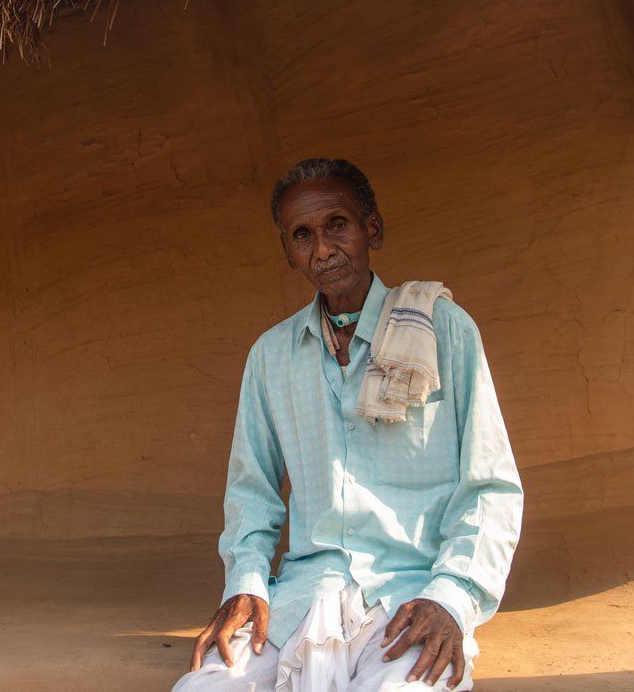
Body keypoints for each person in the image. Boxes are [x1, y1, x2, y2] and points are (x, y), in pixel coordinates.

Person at [175, 158, 522, 692]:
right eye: (303, 235)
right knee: (202, 688)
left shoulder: (443, 330)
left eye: (337, 224)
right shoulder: (271, 356)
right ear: (288, 251)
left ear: (371, 229)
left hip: (411, 602)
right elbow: (251, 492)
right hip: (302, 599)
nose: (322, 250)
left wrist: (452, 597)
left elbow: (490, 487)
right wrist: (246, 583)